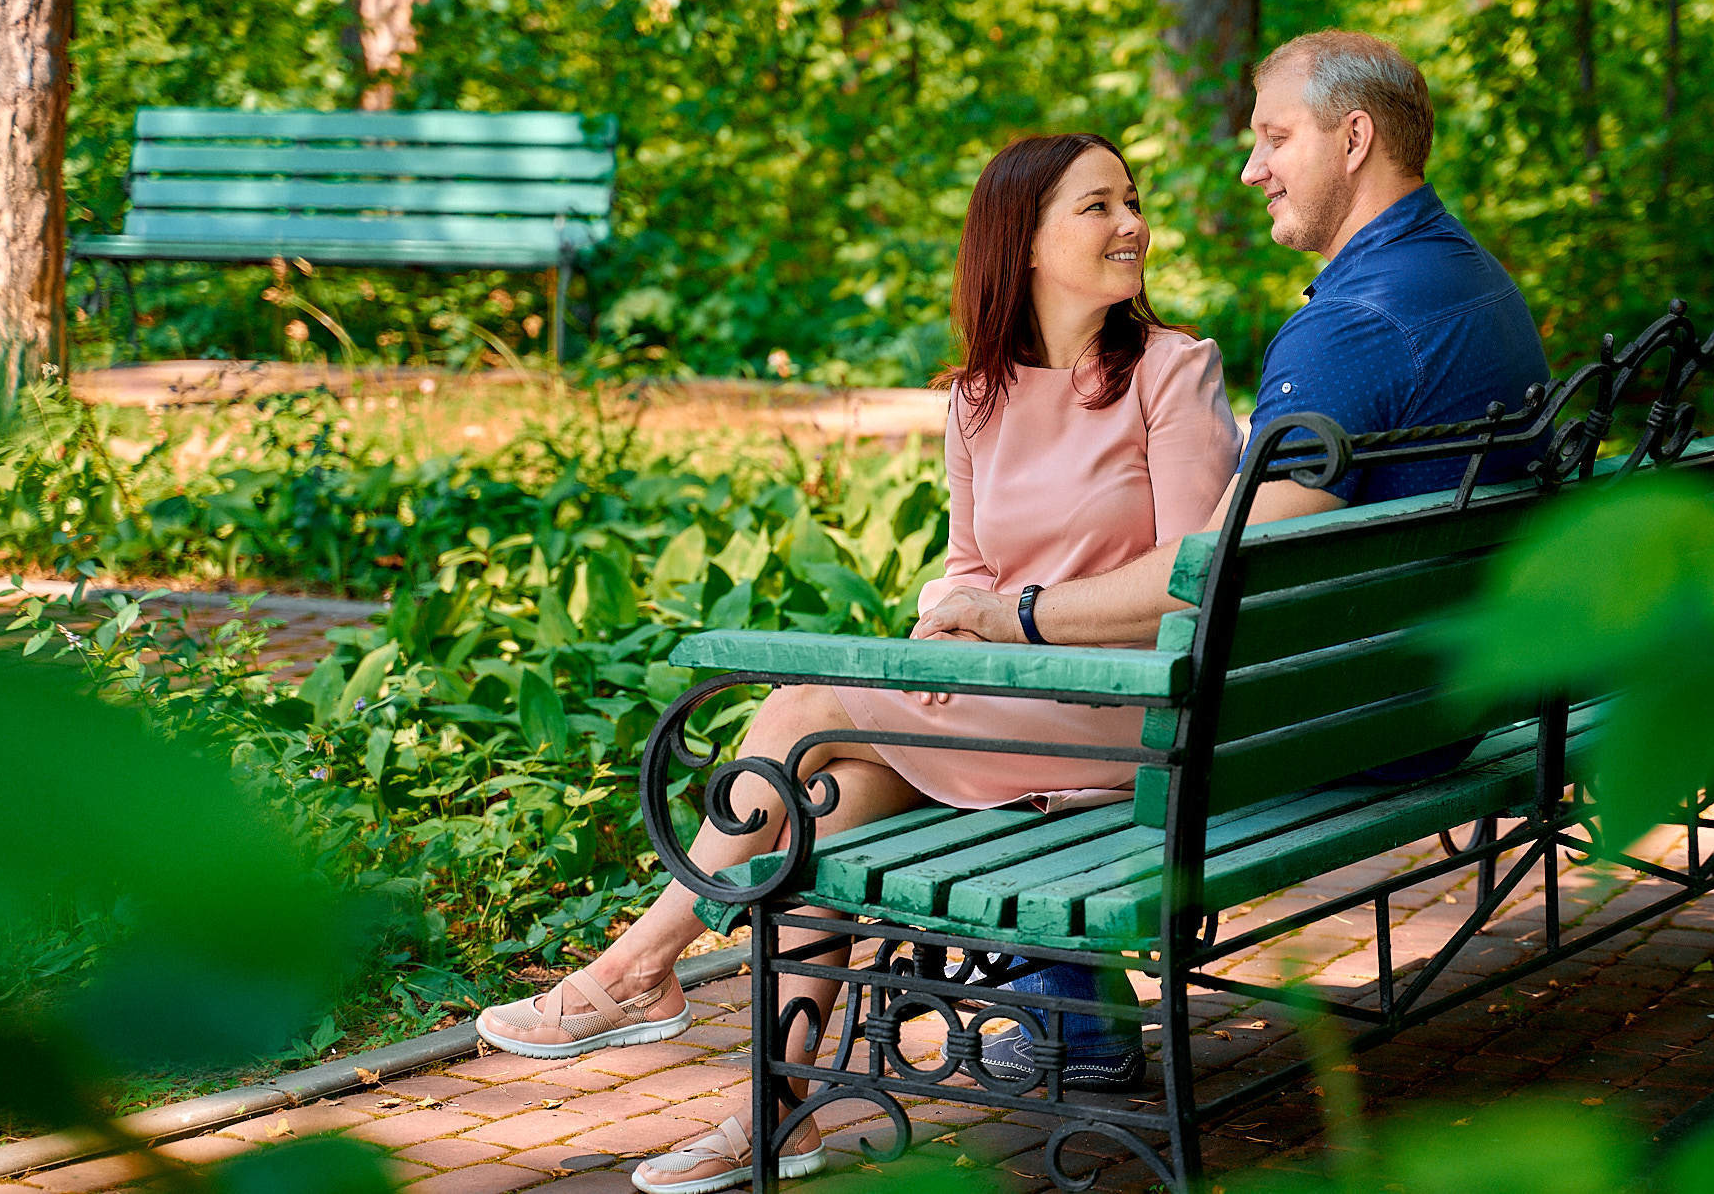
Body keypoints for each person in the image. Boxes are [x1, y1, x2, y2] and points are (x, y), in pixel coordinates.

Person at [473, 131, 1242, 1194]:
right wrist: (943, 634)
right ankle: (776, 1115)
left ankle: (640, 963)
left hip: (1131, 715)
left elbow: (1182, 580)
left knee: (806, 704)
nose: (1131, 226)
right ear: (1020, 243)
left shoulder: (1172, 369)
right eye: (1098, 206)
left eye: (1130, 201)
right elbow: (962, 567)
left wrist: (1003, 622)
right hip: (1006, 709)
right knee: (823, 791)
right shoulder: (975, 397)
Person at [914, 30, 1552, 1068]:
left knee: (821, 729)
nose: (1251, 167)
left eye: (1272, 138)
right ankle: (1058, 1014)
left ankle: (712, 1029)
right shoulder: (1464, 280)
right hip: (1444, 688)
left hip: (1345, 723)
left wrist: (1014, 615)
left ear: (1352, 139)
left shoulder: (1350, 326)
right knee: (843, 748)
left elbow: (1209, 570)